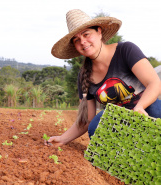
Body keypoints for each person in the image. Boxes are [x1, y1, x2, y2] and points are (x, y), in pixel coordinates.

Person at [45, 9, 161, 147]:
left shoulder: (126, 50)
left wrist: (140, 107)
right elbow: (87, 120)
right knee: (95, 126)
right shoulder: (83, 76)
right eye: (77, 40)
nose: (83, 42)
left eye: (86, 34)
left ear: (99, 32)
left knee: (155, 109)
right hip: (119, 121)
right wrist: (63, 139)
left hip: (146, 111)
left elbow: (154, 83)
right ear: (75, 46)